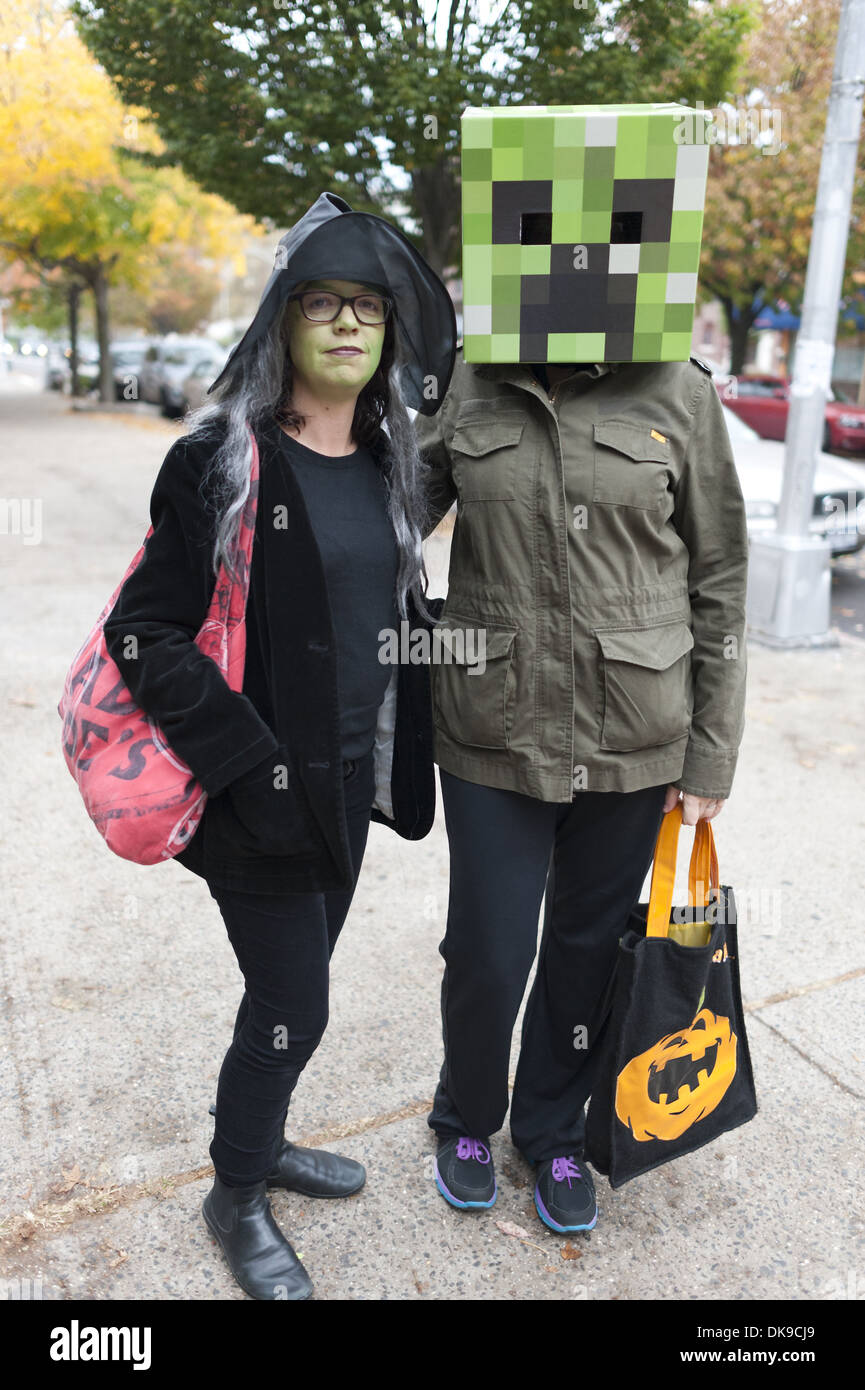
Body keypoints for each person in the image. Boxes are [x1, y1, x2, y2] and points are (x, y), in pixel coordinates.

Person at [103, 192, 456, 1299]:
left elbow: (381, 617)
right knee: (298, 999)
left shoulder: (393, 470)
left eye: (367, 307)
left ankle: (263, 1143)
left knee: (287, 997)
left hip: (349, 782)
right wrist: (245, 762)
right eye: (322, 303)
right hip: (258, 793)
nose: (348, 323)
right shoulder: (222, 459)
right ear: (283, 325)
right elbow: (141, 629)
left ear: (388, 333)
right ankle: (236, 1190)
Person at [413, 346, 749, 1235]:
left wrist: (711, 752)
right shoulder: (468, 380)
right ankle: (467, 1116)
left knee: (587, 947)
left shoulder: (679, 388)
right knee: (486, 950)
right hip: (492, 723)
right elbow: (385, 516)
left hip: (632, 732)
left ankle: (553, 1129)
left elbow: (718, 578)